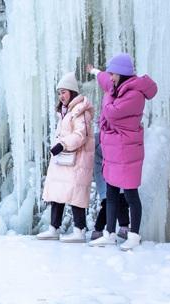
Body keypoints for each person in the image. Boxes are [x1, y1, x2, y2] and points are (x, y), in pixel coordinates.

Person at [87, 53, 157, 250]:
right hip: (113, 151)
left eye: (113, 74)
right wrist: (95, 71)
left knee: (131, 194)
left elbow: (112, 113)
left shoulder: (135, 95)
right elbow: (104, 81)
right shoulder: (119, 87)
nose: (110, 78)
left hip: (127, 152)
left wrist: (108, 95)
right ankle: (109, 233)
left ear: (123, 74)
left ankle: (133, 235)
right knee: (111, 193)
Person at [37, 72, 95, 242]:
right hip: (64, 160)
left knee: (75, 194)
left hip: (77, 160)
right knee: (57, 193)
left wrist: (62, 144)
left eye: (64, 92)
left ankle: (80, 230)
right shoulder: (65, 112)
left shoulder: (79, 111)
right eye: (59, 92)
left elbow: (80, 135)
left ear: (72, 92)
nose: (61, 96)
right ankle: (53, 228)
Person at [91, 131, 130, 240]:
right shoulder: (102, 138)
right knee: (119, 200)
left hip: (107, 174)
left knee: (110, 203)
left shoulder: (101, 136)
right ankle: (123, 227)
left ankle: (98, 230)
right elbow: (108, 152)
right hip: (107, 174)